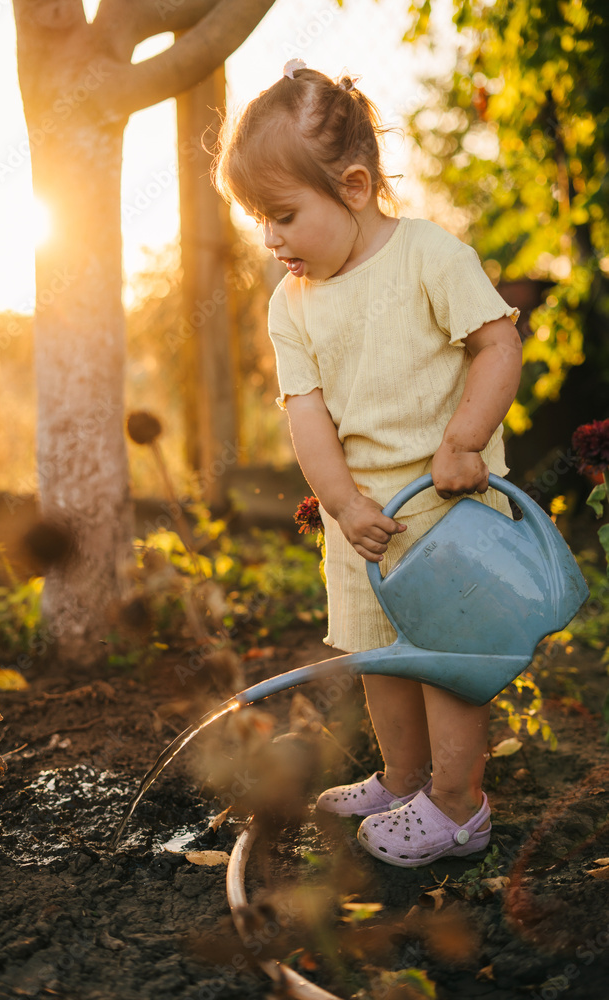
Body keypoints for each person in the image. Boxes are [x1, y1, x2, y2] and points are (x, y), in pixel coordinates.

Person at [212, 61, 522, 867]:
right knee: (383, 658)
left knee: (445, 662)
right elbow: (305, 410)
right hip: (367, 521)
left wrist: (462, 442)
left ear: (353, 187)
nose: (269, 239)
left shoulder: (428, 256)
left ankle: (457, 807)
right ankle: (403, 778)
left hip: (448, 507)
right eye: (257, 220)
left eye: (281, 215)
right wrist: (343, 504)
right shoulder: (292, 301)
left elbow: (496, 344)